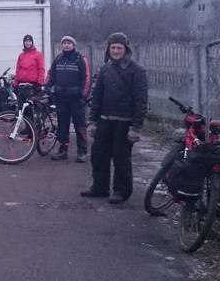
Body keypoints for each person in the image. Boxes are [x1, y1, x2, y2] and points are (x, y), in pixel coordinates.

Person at [84, 32, 148, 204]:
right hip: (105, 120)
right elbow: (96, 97)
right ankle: (100, 187)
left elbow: (141, 101)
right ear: (108, 49)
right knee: (98, 154)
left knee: (121, 158)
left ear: (125, 49)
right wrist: (93, 121)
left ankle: (121, 191)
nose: (116, 51)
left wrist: (136, 128)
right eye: (113, 47)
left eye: (119, 48)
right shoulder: (106, 68)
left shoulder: (137, 71)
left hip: (124, 122)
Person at [49, 35, 92, 163]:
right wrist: (47, 87)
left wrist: (83, 95)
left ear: (73, 45)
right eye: (64, 43)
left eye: (69, 43)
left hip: (76, 99)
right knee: (62, 125)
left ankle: (82, 152)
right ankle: (63, 150)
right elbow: (51, 76)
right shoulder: (58, 59)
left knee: (80, 126)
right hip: (61, 98)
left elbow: (87, 78)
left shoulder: (80, 59)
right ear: (61, 45)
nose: (66, 45)